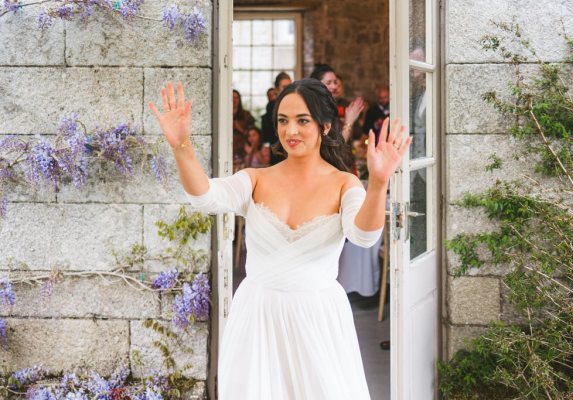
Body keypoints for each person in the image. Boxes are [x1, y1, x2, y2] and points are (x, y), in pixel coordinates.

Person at [148, 79, 411, 399]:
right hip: (258, 314)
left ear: (325, 126)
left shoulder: (345, 183)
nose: (291, 131)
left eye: (303, 120)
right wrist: (181, 146)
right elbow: (206, 197)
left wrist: (380, 183)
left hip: (316, 316)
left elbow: (364, 237)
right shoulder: (256, 178)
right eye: (283, 121)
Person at [309, 64, 364, 142]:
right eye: (328, 83)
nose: (334, 87)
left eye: (335, 82)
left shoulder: (331, 107)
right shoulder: (314, 110)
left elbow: (357, 134)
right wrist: (349, 122)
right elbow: (336, 147)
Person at [261, 72, 292, 161]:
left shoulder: (297, 103)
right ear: (277, 89)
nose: (289, 89)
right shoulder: (272, 106)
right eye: (285, 87)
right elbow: (268, 130)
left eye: (290, 86)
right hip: (277, 149)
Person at [233, 90, 255, 171]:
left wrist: (239, 128)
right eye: (232, 98)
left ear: (239, 99)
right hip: (227, 149)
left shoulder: (246, 115)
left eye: (236, 97)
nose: (234, 100)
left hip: (243, 150)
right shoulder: (224, 114)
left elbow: (253, 134)